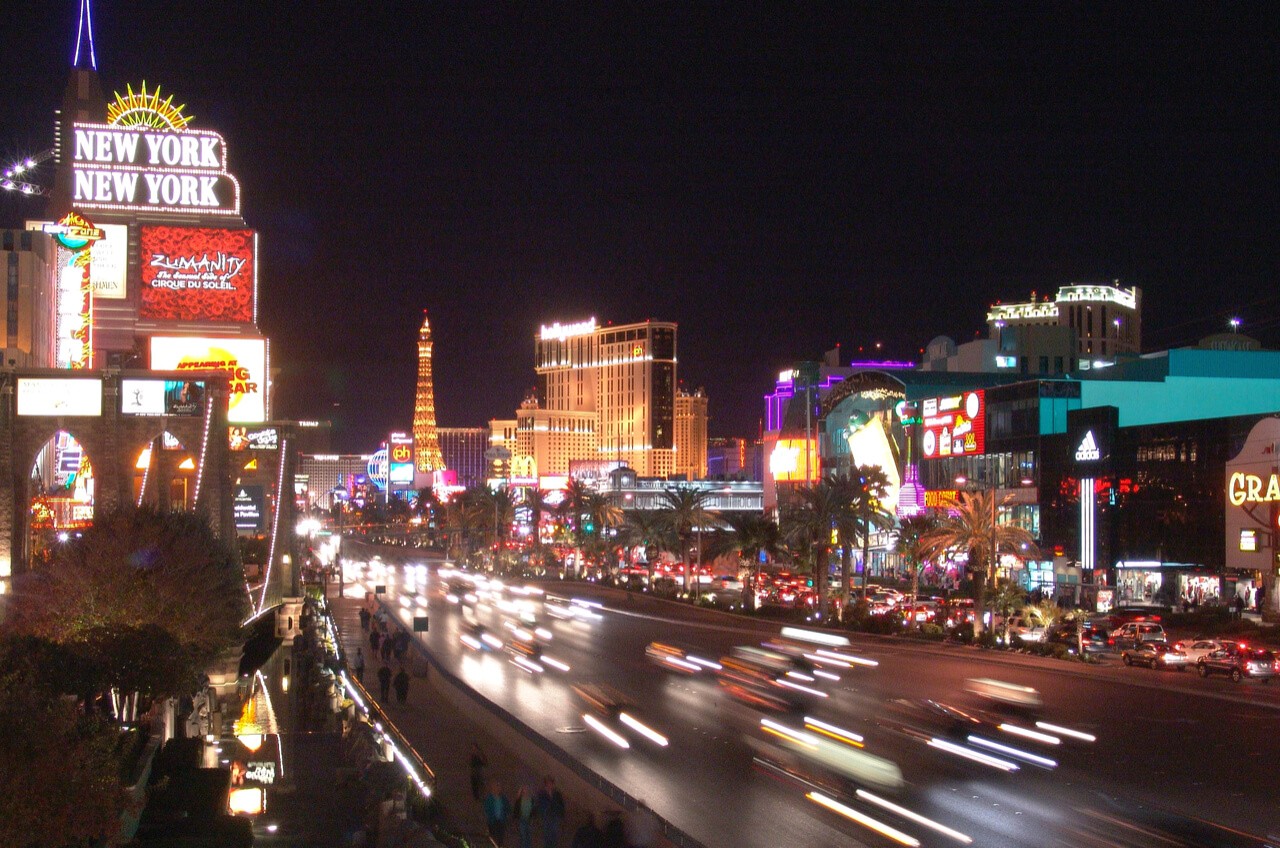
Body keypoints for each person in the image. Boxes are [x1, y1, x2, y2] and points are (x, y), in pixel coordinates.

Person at [535, 775, 565, 848]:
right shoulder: (542, 794)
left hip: (555, 816)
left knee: (554, 834)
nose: (549, 785)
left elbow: (561, 805)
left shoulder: (557, 794)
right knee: (546, 834)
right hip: (546, 816)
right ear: (545, 784)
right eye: (548, 783)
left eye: (551, 783)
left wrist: (560, 814)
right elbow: (539, 805)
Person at [514, 784, 536, 848]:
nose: (525, 792)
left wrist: (533, 818)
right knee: (523, 836)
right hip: (522, 820)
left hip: (529, 820)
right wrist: (516, 820)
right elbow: (516, 810)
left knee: (529, 836)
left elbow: (534, 810)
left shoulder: (531, 800)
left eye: (527, 790)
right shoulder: (519, 800)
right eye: (524, 791)